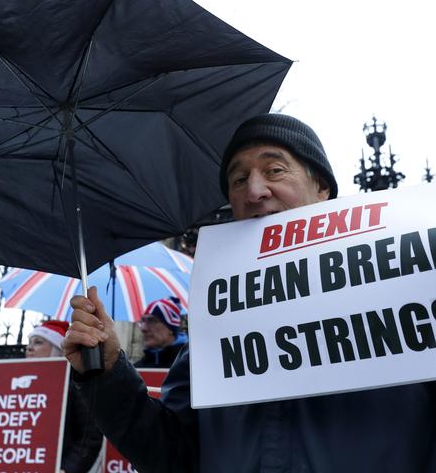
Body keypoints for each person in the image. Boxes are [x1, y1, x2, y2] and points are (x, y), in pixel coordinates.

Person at [63, 113, 436, 472]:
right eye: (238, 180)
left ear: (321, 187)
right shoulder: (215, 328)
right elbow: (174, 456)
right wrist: (108, 376)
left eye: (274, 170)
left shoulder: (407, 291)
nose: (254, 190)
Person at [25, 320, 103, 473]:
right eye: (29, 343)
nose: (29, 348)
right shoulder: (13, 386)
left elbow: (89, 438)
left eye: (38, 342)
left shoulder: (75, 385)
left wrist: (67, 469)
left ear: (57, 350)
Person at [133, 297, 187, 368]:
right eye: (142, 321)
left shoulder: (191, 368)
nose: (143, 328)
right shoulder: (136, 370)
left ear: (170, 329)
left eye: (152, 321)